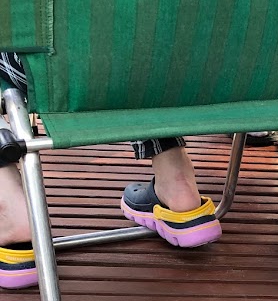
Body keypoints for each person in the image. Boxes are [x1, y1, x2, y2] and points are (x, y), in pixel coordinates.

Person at [0, 50, 225, 288]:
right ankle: (178, 184)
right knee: (147, 46)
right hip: (204, 70)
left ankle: (11, 208)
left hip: (54, 73)